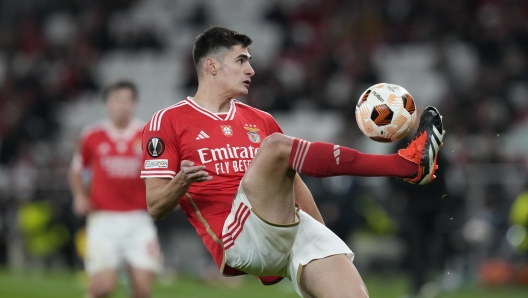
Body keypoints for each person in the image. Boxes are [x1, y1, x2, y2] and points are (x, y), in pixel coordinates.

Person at [141, 26, 445, 298]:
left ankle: (409, 167)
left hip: (286, 225)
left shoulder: (260, 119)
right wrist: (181, 181)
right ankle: (406, 166)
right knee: (275, 147)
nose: (251, 70)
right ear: (211, 66)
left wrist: (322, 240)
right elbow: (154, 206)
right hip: (236, 238)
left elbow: (294, 183)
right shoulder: (168, 121)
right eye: (241, 61)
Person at [69, 81, 161, 298]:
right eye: (117, 100)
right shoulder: (92, 135)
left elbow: (159, 173)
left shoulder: (147, 135)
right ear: (107, 104)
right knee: (102, 288)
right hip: (103, 220)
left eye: (127, 100)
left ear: (134, 104)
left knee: (143, 289)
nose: (122, 106)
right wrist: (80, 196)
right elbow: (75, 170)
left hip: (139, 220)